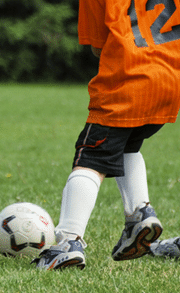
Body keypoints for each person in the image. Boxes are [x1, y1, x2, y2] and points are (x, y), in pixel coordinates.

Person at [33, 0, 180, 270]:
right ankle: (140, 215)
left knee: (91, 159)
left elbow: (98, 45)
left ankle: (68, 240)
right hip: (170, 82)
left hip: (128, 82)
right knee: (129, 146)